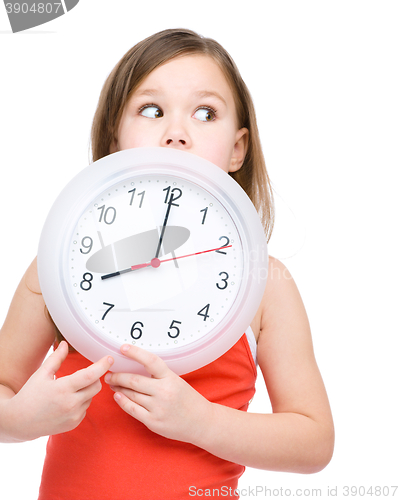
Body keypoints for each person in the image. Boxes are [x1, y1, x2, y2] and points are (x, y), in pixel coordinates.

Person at [0, 29, 334, 499]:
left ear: (238, 148)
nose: (176, 132)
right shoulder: (58, 266)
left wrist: (202, 422)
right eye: (151, 110)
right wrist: (17, 420)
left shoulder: (266, 285)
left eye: (205, 113)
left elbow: (314, 442)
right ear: (115, 138)